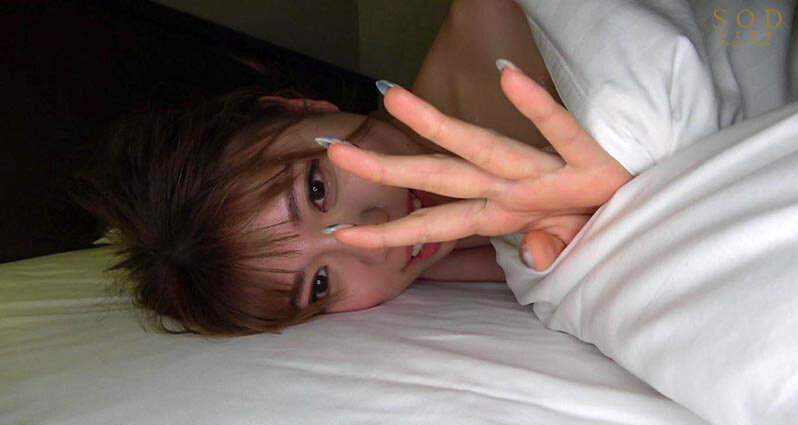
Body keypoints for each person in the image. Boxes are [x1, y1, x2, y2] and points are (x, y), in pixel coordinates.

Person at [74, 0, 630, 336]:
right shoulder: (430, 259)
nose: (369, 238)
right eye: (319, 283)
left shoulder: (507, 21)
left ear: (299, 108)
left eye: (317, 189)